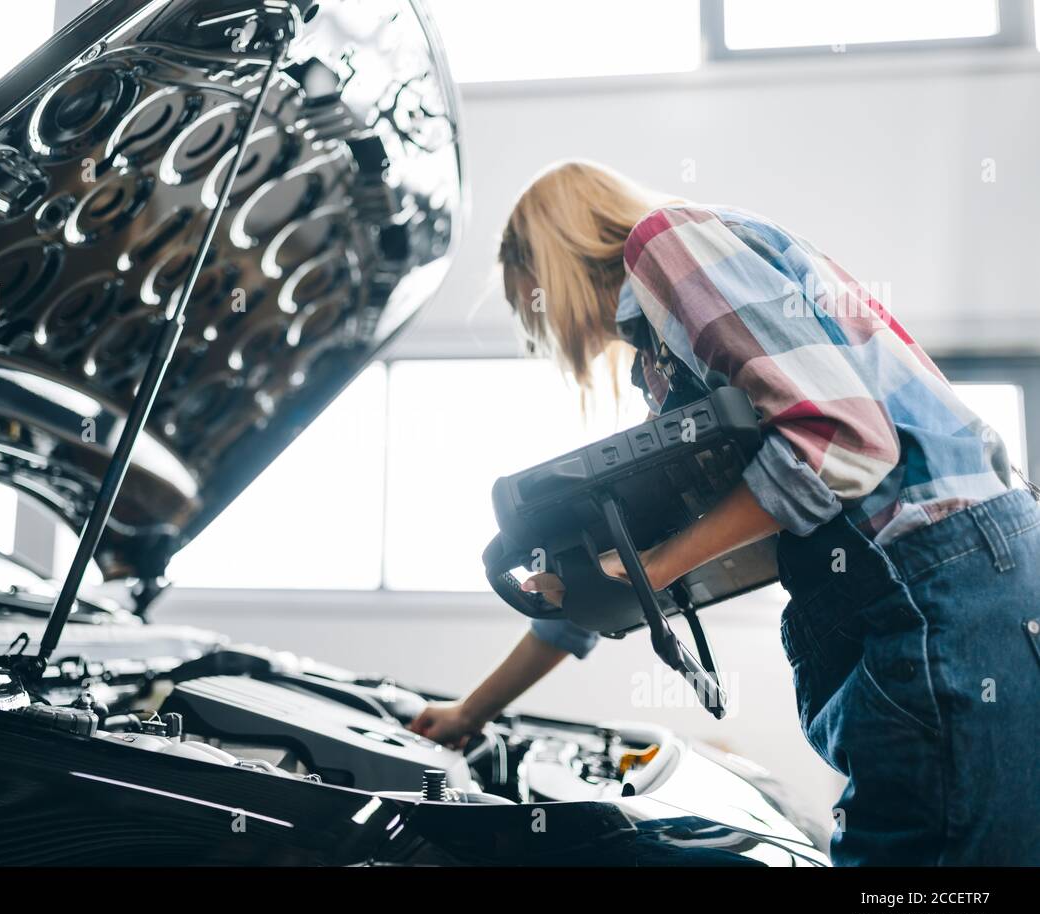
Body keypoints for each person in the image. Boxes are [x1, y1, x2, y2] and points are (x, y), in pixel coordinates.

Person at [407, 160, 1040, 866]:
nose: (544, 328)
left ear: (547, 264)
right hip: (960, 581)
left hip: (937, 579)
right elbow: (627, 579)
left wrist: (654, 564)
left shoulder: (663, 242)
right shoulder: (666, 361)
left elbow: (840, 441)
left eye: (530, 302)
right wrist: (472, 711)